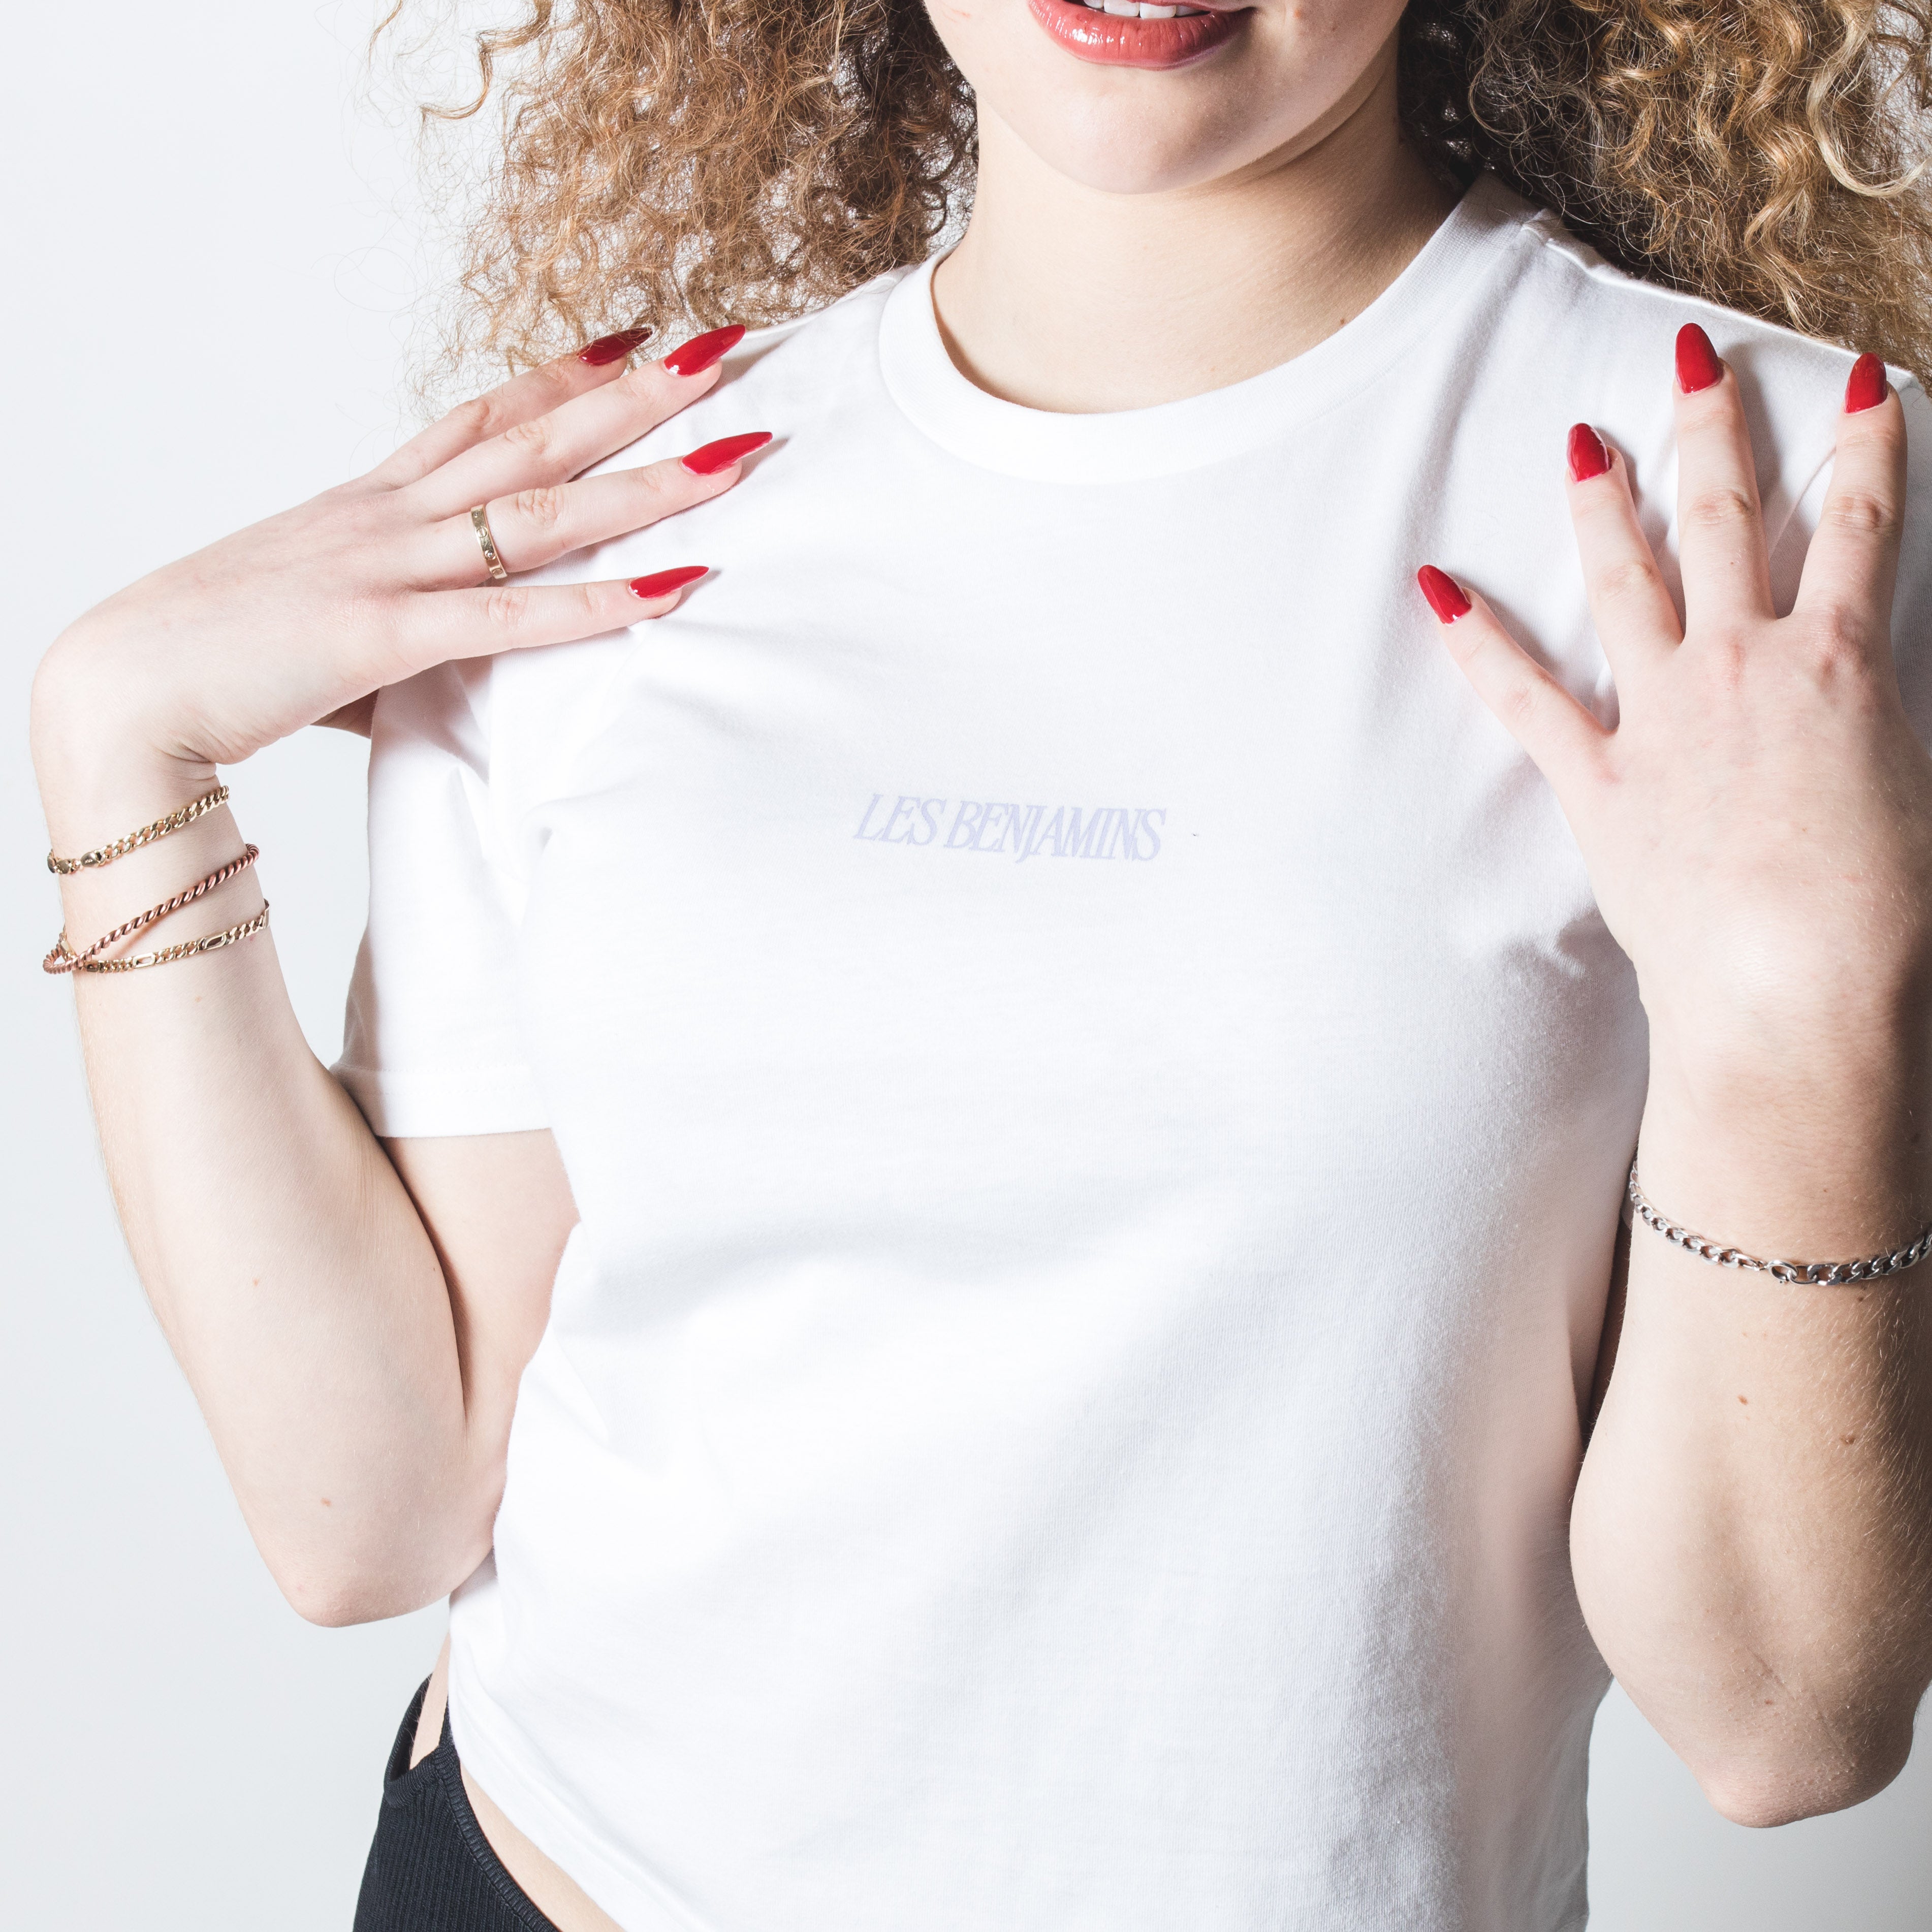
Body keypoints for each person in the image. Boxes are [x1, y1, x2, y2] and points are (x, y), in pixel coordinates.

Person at [31, 2, 1932, 1927]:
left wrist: (1797, 997)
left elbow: (1780, 1718)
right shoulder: (609, 512)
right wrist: (123, 744)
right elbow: (375, 1508)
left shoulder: (1774, 513)